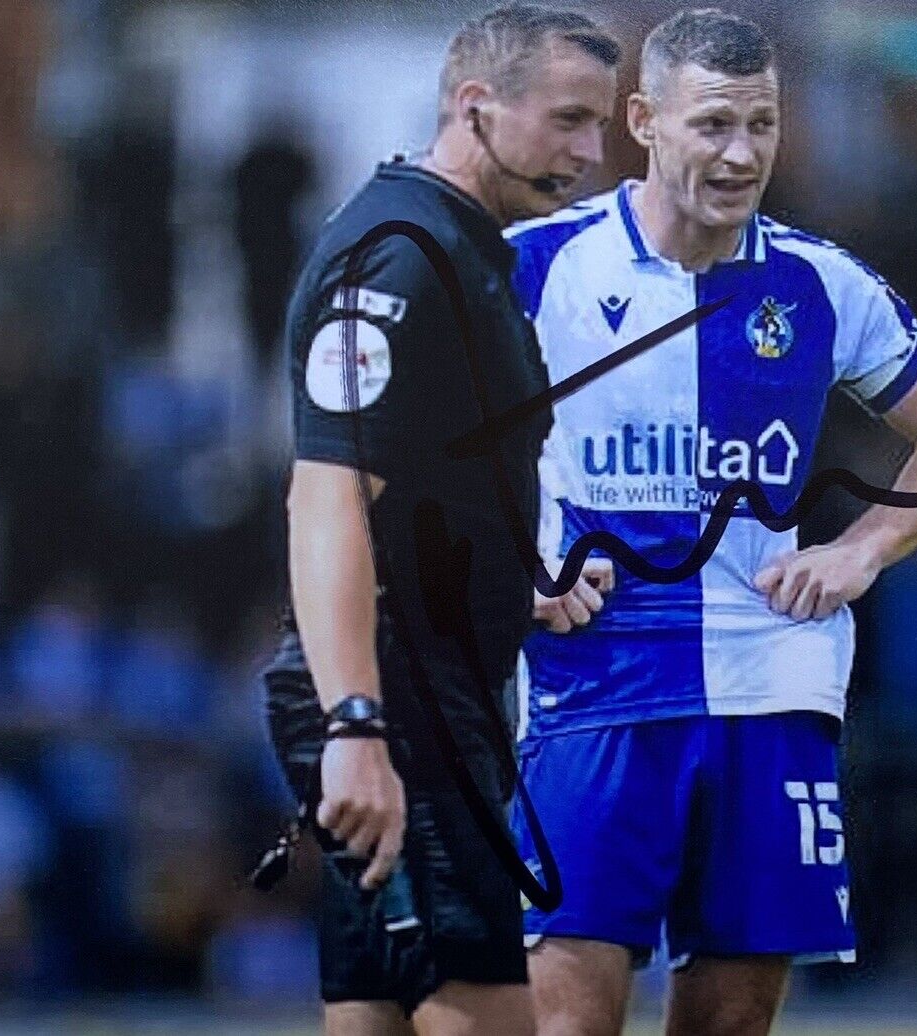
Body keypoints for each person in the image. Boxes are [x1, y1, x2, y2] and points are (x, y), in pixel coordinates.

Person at [506, 10, 917, 1035]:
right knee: (566, 1021)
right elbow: (402, 455)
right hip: (590, 685)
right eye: (713, 126)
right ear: (643, 122)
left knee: (733, 1018)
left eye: (762, 125)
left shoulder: (819, 285)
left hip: (768, 688)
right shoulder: (532, 267)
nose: (742, 154)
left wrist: (863, 548)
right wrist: (502, 564)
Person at [260, 6, 618, 1033]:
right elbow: (326, 497)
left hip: (417, 687)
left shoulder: (458, 247)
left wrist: (511, 577)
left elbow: (428, 470)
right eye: (568, 121)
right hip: (398, 704)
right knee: (485, 1005)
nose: (589, 154)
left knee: (374, 1008)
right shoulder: (402, 256)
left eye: (597, 126)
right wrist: (356, 725)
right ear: (475, 107)